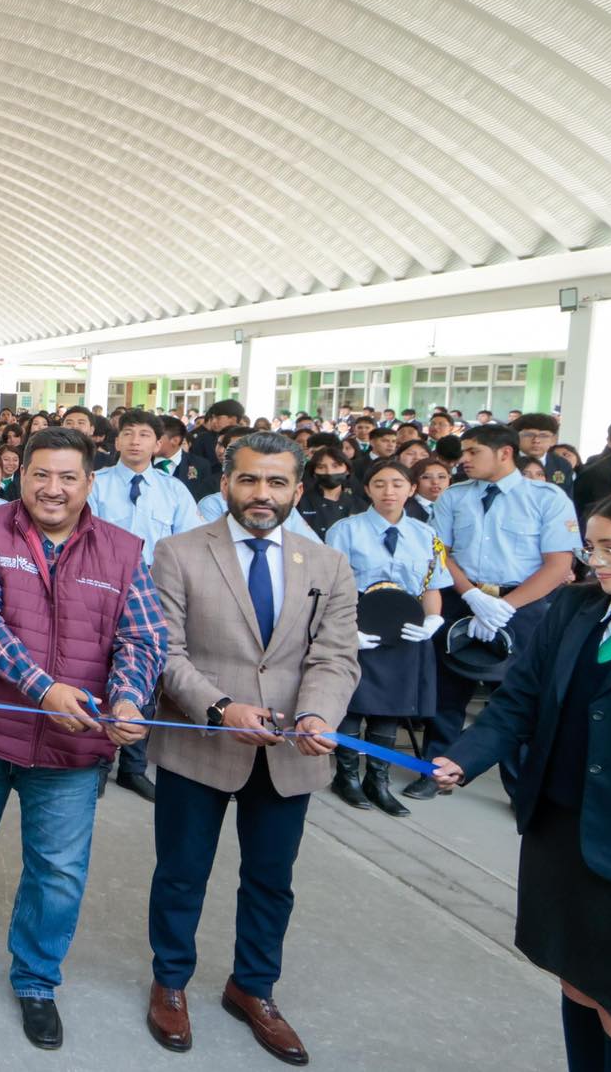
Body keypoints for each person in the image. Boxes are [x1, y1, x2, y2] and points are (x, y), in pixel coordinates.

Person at [0, 426, 165, 1049]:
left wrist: (132, 695)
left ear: (90, 482)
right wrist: (42, 688)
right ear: (18, 474)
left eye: (68, 477)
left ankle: (35, 976)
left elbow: (141, 638)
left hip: (73, 745)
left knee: (57, 869)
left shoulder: (123, 549)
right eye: (40, 475)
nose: (52, 489)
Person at [143, 432, 360, 1066]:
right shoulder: (178, 553)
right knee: (181, 874)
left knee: (271, 880)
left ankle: (254, 988)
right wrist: (219, 708)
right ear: (226, 485)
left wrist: (319, 712)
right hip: (201, 743)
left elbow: (334, 655)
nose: (260, 495)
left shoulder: (328, 564)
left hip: (292, 748)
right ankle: (171, 982)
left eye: (274, 483)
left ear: (296, 489)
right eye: (248, 481)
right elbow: (167, 653)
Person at [432, 490, 611, 1071]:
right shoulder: (577, 609)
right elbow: (520, 700)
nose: (595, 562)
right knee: (579, 986)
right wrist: (466, 757)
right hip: (561, 831)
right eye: (591, 547)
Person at [405, 423, 579, 802]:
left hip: (523, 604)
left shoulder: (547, 498)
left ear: (504, 453)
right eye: (463, 453)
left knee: (518, 695)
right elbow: (440, 553)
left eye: (472, 452)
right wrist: (472, 597)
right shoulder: (455, 497)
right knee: (448, 692)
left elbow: (557, 563)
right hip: (461, 599)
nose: (463, 460)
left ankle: (521, 786)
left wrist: (504, 606)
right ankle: (436, 770)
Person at [86, 409, 200, 800]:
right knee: (100, 672)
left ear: (159, 444)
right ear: (116, 442)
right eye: (128, 434)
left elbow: (188, 545)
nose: (136, 441)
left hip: (154, 594)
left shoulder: (174, 491)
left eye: (145, 435)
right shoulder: (95, 484)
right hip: (100, 589)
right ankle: (98, 760)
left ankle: (133, 766)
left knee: (146, 675)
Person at [322, 461, 445, 817]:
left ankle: (379, 780)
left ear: (411, 488)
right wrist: (346, 629)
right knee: (353, 703)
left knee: (391, 708)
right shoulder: (346, 530)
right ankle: (346, 777)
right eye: (379, 483)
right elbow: (333, 584)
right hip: (359, 623)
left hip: (405, 631)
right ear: (367, 489)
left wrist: (433, 619)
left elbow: (433, 586)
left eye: (397, 483)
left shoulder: (426, 535)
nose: (388, 491)